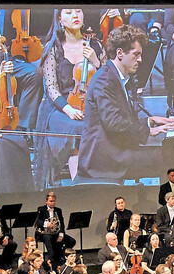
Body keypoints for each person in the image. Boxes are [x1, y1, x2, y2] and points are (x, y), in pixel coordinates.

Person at [78, 25, 174, 179]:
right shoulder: (104, 80)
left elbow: (120, 118)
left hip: (115, 151)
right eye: (136, 54)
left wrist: (149, 121)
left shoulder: (114, 76)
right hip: (105, 159)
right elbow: (114, 122)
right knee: (167, 158)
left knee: (168, 155)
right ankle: (171, 202)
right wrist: (147, 131)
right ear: (120, 53)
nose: (140, 59)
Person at [34, 9, 105, 188]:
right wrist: (69, 109)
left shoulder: (95, 45)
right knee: (76, 127)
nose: (75, 15)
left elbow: (108, 79)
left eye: (78, 11)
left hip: (91, 104)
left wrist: (97, 62)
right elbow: (51, 88)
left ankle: (99, 182)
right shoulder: (53, 48)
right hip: (61, 107)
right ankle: (78, 184)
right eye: (68, 12)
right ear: (59, 19)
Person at [33, 191, 76, 267]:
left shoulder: (58, 210)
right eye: (50, 201)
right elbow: (38, 221)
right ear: (47, 201)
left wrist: (61, 234)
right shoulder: (41, 209)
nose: (52, 203)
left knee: (72, 241)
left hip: (55, 233)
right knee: (48, 239)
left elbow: (61, 223)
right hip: (44, 233)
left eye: (53, 201)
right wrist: (47, 224)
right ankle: (53, 261)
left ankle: (60, 255)